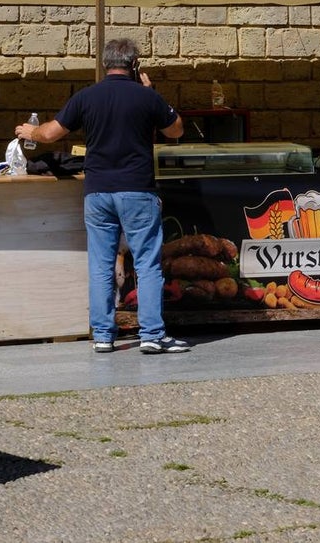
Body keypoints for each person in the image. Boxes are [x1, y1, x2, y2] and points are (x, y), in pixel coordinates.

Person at [15, 38, 191, 355]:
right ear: (134, 65)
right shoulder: (145, 97)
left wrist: (31, 133)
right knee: (148, 263)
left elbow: (52, 133)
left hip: (97, 192)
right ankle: (151, 334)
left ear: (105, 64)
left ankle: (103, 335)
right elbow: (176, 130)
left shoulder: (87, 96)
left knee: (100, 264)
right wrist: (152, 92)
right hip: (137, 190)